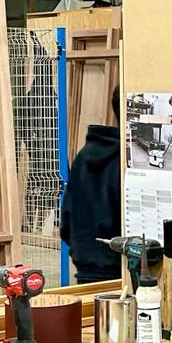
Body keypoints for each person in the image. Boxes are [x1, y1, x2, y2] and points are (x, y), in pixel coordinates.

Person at [60, 86, 122, 283]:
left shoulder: (83, 156)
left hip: (85, 271)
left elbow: (66, 220)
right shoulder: (127, 163)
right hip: (119, 275)